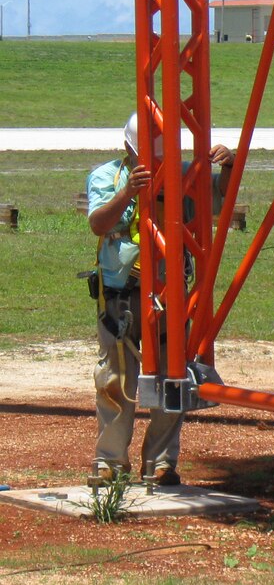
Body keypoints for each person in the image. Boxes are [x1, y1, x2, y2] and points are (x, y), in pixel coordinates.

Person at [86, 112, 234, 486]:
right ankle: (109, 462)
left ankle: (161, 462)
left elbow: (221, 198)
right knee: (116, 380)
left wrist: (229, 165)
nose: (153, 165)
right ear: (127, 149)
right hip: (121, 298)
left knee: (172, 377)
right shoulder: (108, 177)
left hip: (169, 297)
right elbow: (99, 224)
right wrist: (128, 193)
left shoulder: (184, 175)